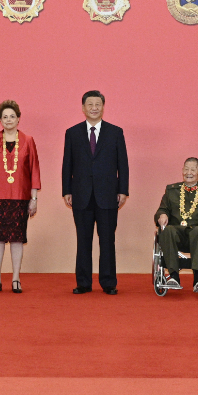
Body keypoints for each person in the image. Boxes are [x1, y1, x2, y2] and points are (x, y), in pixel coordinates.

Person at [61, 90, 129, 295]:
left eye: (97, 104)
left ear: (103, 107)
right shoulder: (72, 133)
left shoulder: (115, 132)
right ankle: (83, 282)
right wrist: (67, 190)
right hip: (80, 194)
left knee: (107, 240)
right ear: (83, 108)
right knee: (83, 240)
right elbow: (67, 164)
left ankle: (108, 283)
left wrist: (123, 190)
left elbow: (122, 165)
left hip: (108, 195)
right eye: (89, 104)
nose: (93, 108)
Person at [0, 100, 40, 294]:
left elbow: (34, 171)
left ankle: (16, 279)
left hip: (20, 197)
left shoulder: (28, 140)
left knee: (17, 239)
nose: (8, 120)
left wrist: (34, 198)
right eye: (4, 117)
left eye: (12, 116)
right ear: (0, 120)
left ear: (19, 118)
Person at [156, 157, 198, 292]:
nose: (189, 172)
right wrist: (162, 215)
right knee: (168, 230)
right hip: (177, 235)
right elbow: (162, 209)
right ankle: (174, 277)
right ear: (182, 171)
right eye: (186, 169)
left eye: (193, 170)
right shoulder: (171, 191)